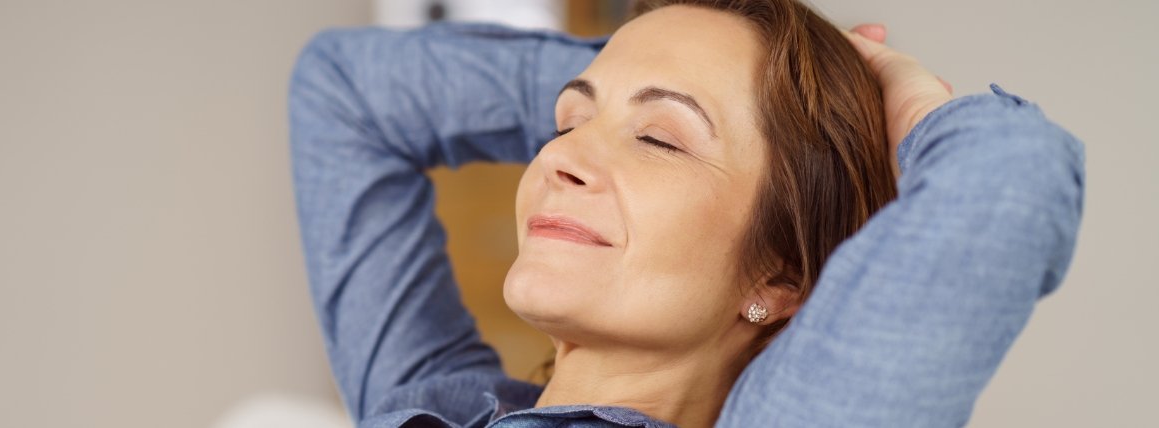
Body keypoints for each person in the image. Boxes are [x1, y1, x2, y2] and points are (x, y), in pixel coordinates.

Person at [288, 0, 1085, 426]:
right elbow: (347, 92)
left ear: (782, 276)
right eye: (566, 123)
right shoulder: (436, 402)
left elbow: (1011, 180)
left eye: (660, 142)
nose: (558, 158)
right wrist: (646, 68)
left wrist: (898, 99)